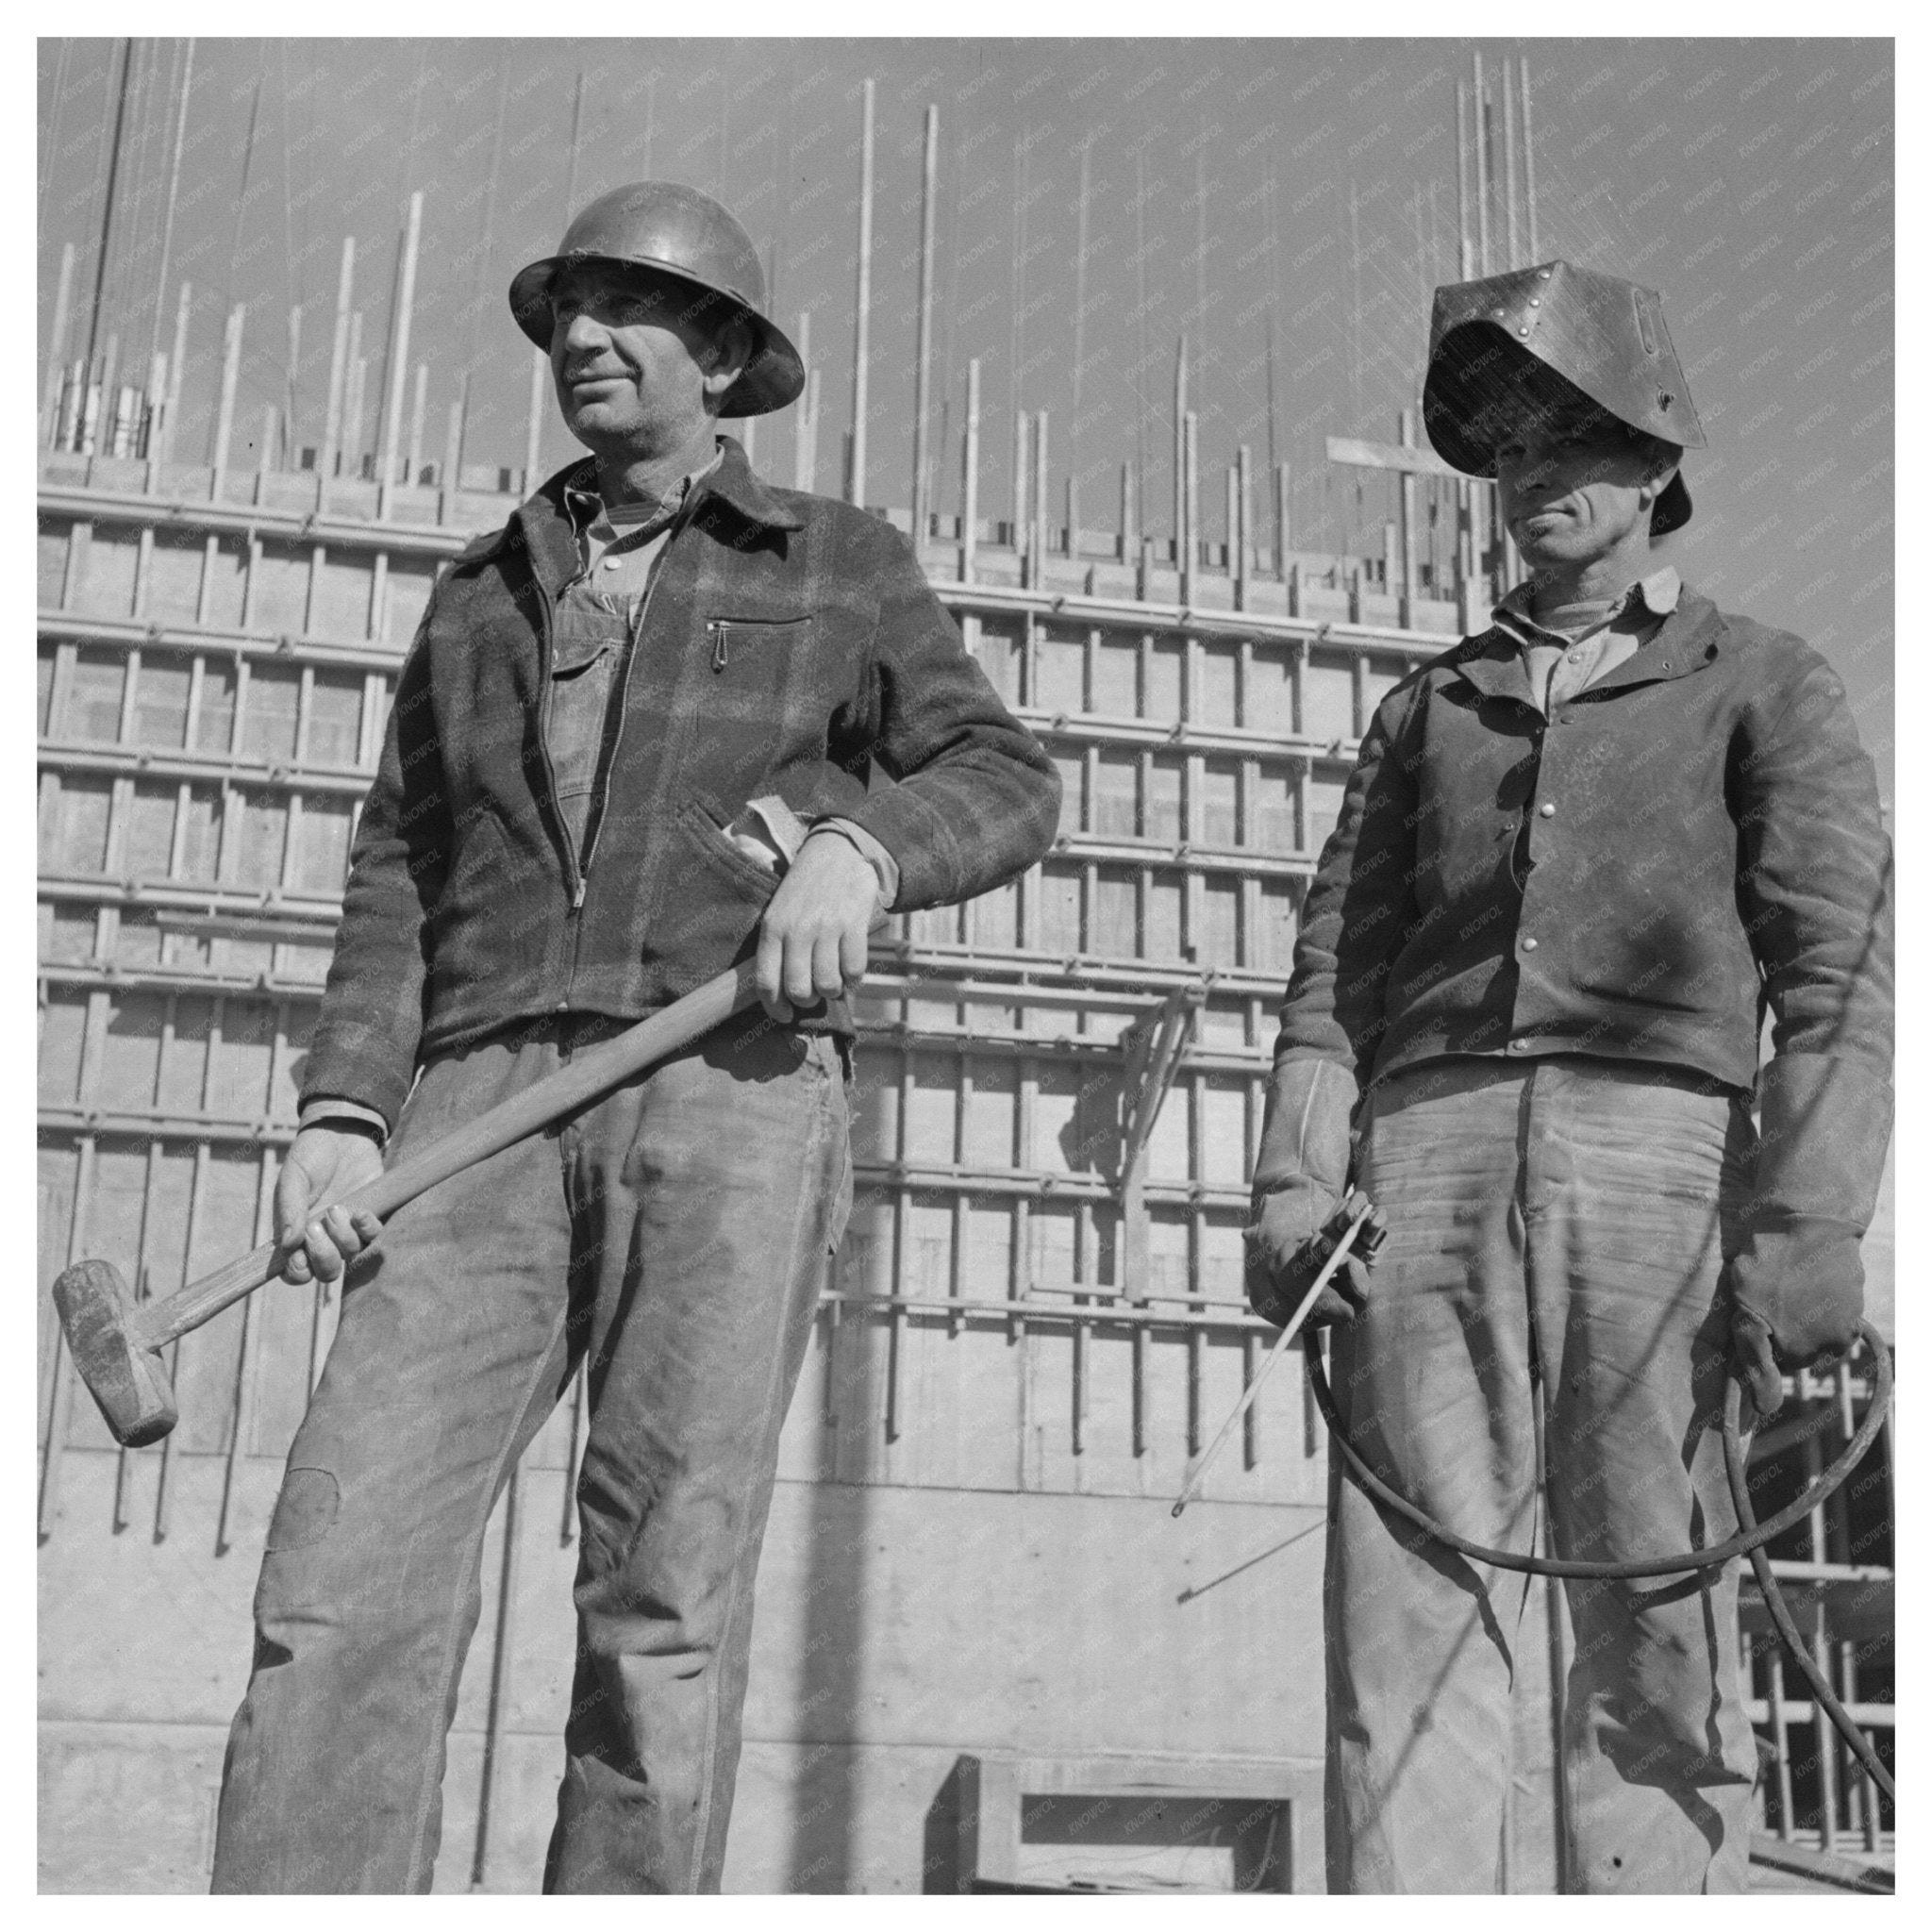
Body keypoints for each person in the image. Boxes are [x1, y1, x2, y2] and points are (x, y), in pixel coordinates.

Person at [210, 182, 1060, 1893]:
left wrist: (861, 844)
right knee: (339, 1579)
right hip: (478, 1105)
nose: (584, 338)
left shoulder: (839, 563)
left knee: (660, 1599)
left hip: (729, 1087)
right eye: (565, 313)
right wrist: (344, 1108)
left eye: (631, 308)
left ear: (728, 356)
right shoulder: (478, 594)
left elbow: (1004, 780)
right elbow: (403, 863)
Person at [1243, 260, 1891, 1893]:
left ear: (1662, 461)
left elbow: (1834, 975)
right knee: (1408, 1640)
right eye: (1516, 438)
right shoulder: (1426, 708)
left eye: (1583, 434)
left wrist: (1810, 1227)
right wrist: (1295, 1179)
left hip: (1659, 1165)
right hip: (1424, 1170)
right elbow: (1336, 976)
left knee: (1651, 1630)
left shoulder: (1763, 680)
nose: (1544, 469)